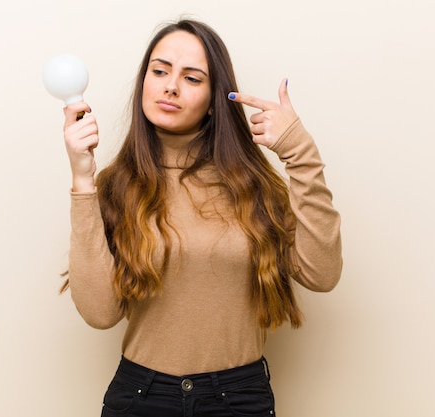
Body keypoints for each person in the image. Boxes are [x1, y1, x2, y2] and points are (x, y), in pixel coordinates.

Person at [60, 18, 342, 417]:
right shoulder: (115, 185)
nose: (171, 85)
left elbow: (322, 274)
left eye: (192, 78)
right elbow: (100, 314)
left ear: (214, 100)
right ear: (144, 82)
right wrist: (82, 180)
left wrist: (301, 153)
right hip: (141, 397)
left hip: (238, 397)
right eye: (159, 72)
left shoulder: (255, 184)